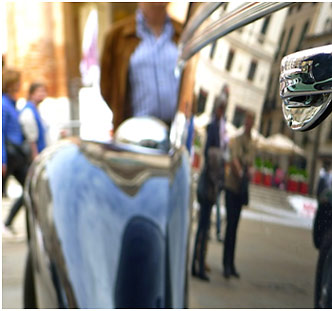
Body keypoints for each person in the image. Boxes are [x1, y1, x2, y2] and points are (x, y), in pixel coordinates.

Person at [100, 3, 182, 131]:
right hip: (136, 133)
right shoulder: (117, 36)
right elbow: (107, 87)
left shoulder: (182, 32)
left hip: (177, 131)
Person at [191, 88, 228, 281]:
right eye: (221, 107)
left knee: (204, 226)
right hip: (210, 182)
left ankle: (197, 263)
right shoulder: (214, 127)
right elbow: (211, 155)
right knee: (203, 225)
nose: (222, 111)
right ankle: (197, 265)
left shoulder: (218, 127)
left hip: (212, 181)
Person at [223, 111, 256, 279]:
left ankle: (231, 263)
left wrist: (249, 170)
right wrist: (242, 171)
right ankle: (226, 265)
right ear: (245, 122)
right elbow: (235, 160)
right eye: (247, 121)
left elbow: (251, 162)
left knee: (235, 227)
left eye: (251, 122)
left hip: (241, 188)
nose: (249, 124)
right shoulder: (237, 139)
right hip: (232, 186)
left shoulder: (252, 142)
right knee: (230, 226)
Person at [2, 68, 29, 233]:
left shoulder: (12, 103)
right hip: (9, 156)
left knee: (29, 188)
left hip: (17, 156)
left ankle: (8, 222)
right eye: (18, 81)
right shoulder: (4, 104)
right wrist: (2, 160)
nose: (20, 84)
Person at [19, 82, 49, 160]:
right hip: (34, 155)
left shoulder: (36, 110)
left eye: (44, 91)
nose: (42, 94)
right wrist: (35, 155)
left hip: (42, 151)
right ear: (31, 94)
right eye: (39, 91)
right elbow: (31, 138)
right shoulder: (28, 111)